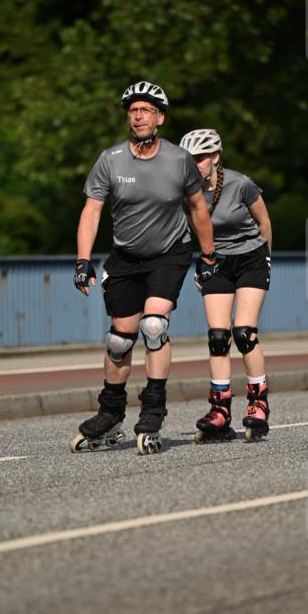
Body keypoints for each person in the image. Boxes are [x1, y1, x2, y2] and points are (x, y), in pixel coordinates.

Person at [71, 81, 218, 453]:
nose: (138, 116)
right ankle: (110, 413)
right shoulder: (111, 159)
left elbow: (198, 209)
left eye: (146, 110)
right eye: (133, 111)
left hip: (170, 253)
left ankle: (153, 409)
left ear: (160, 118)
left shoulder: (179, 160)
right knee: (119, 340)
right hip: (126, 257)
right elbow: (91, 211)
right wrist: (83, 260)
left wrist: (208, 256)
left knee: (154, 325)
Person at [179, 128, 273, 441]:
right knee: (218, 338)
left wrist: (267, 259)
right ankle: (220, 410)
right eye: (189, 159)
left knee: (244, 333)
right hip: (216, 261)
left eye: (200, 158)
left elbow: (264, 222)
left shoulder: (240, 183)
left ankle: (258, 403)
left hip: (251, 258)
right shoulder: (184, 191)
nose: (195, 164)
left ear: (216, 156)